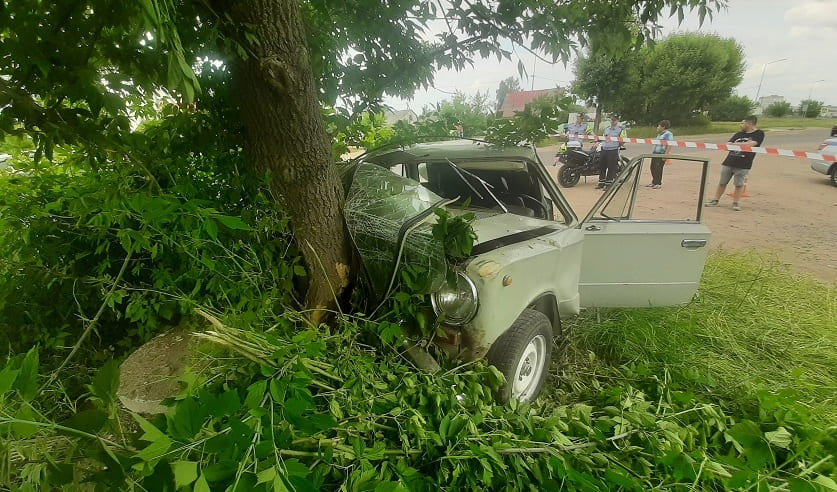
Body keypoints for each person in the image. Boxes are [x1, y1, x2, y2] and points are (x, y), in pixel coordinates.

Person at [704, 115, 764, 211]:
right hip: (729, 161)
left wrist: (734, 144)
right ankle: (715, 200)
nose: (741, 125)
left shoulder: (759, 133)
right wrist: (734, 145)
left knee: (739, 184)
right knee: (722, 182)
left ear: (749, 123)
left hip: (744, 164)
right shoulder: (738, 134)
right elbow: (727, 144)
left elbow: (751, 144)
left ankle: (735, 203)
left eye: (743, 123)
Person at [596, 116, 626, 189]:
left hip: (613, 150)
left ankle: (609, 184)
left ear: (617, 121)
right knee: (602, 166)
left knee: (611, 167)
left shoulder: (621, 130)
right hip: (604, 149)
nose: (612, 121)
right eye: (612, 120)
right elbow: (603, 138)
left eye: (614, 120)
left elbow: (623, 140)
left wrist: (618, 145)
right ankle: (601, 183)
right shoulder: (607, 129)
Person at [647, 120, 673, 189]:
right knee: (652, 167)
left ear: (663, 127)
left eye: (659, 126)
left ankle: (658, 183)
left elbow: (670, 144)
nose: (657, 127)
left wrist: (666, 154)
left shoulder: (668, 134)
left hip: (661, 153)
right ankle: (654, 182)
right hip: (655, 153)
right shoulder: (659, 134)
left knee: (658, 168)